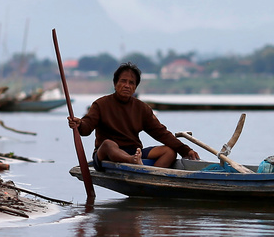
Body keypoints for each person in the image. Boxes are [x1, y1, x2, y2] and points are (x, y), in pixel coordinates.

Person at [67, 62, 200, 168]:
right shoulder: (101, 104)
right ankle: (132, 161)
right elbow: (86, 128)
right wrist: (79, 124)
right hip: (107, 153)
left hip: (134, 151)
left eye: (131, 83)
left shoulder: (141, 108)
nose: (127, 86)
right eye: (123, 81)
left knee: (169, 152)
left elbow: (161, 133)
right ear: (115, 84)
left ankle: (150, 178)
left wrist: (185, 150)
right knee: (108, 144)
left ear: (135, 88)